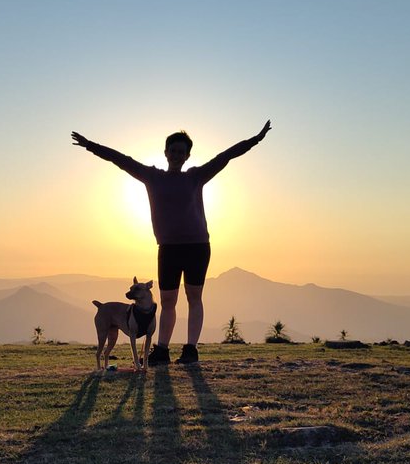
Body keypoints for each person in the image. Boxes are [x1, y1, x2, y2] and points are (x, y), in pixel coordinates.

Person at [71, 120, 272, 364]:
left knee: (194, 298)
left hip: (197, 246)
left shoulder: (196, 176)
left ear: (187, 156)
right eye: (173, 150)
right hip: (168, 248)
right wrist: (90, 145)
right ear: (166, 153)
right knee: (167, 301)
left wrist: (256, 139)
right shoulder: (152, 177)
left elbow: (225, 156)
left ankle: (190, 350)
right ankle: (162, 350)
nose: (177, 155)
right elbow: (121, 160)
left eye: (181, 152)